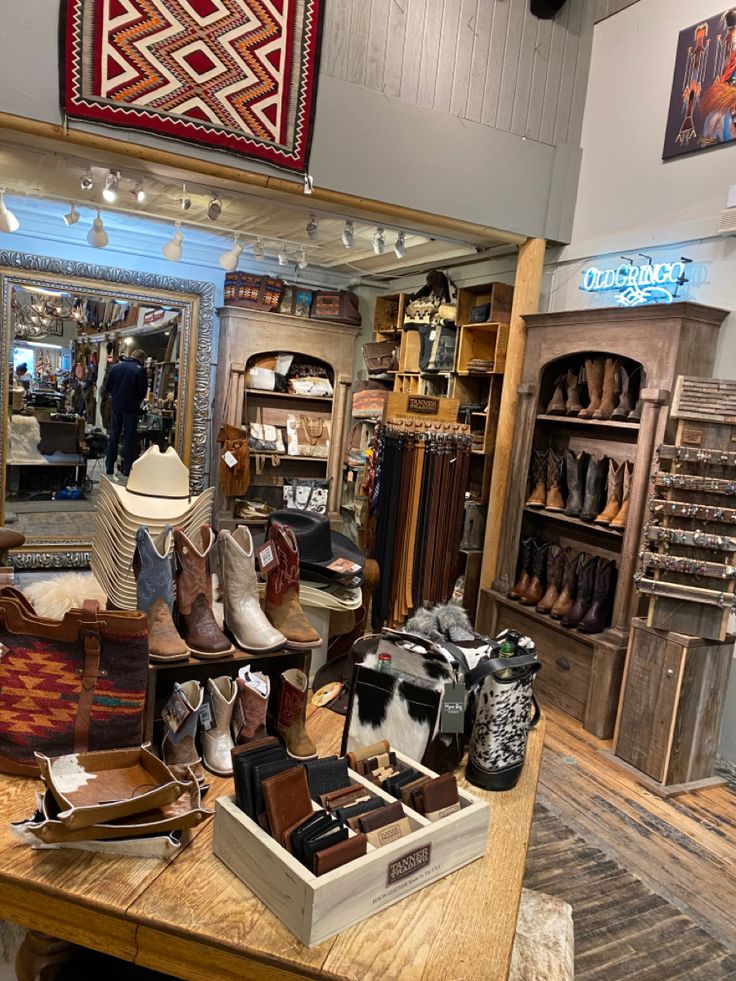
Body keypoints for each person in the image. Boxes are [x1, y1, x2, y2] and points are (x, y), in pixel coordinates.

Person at [104, 349, 148, 478]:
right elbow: (142, 392)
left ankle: (109, 466)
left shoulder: (115, 367)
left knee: (113, 436)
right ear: (141, 359)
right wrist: (135, 400)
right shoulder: (140, 370)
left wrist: (117, 396)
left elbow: (108, 387)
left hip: (116, 405)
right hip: (131, 407)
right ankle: (127, 469)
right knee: (129, 438)